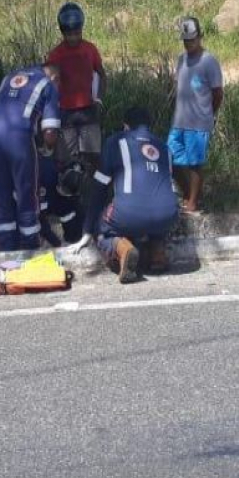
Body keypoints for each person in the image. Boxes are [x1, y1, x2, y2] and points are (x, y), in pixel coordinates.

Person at [74, 106, 179, 284]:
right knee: (158, 204)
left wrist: (87, 230)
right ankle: (157, 252)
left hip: (128, 214)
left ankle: (122, 248)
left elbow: (99, 188)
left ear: (126, 126)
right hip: (168, 214)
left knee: (101, 226)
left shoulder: (115, 142)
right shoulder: (164, 147)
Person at [0, 64, 62, 251]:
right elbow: (50, 133)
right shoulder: (47, 84)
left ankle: (5, 249)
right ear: (55, 78)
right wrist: (47, 150)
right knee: (26, 194)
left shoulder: (8, 77)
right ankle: (29, 248)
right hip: (19, 139)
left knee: (0, 195)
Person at [168, 17, 223, 214]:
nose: (188, 44)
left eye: (192, 40)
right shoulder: (181, 60)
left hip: (199, 122)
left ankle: (193, 203)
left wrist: (208, 114)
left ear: (200, 37)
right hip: (179, 121)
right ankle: (188, 194)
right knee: (170, 158)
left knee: (195, 164)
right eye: (185, 40)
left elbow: (217, 93)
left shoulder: (209, 61)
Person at [45, 2, 106, 172]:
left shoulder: (89, 50)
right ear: (63, 33)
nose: (73, 38)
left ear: (82, 30)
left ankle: (91, 185)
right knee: (66, 158)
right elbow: (50, 83)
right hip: (65, 112)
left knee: (92, 156)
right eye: (69, 34)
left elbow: (101, 74)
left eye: (77, 33)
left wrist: (99, 100)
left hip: (88, 109)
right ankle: (69, 185)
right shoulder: (56, 55)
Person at [37, 156, 85, 247]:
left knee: (73, 231)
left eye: (65, 193)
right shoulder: (46, 171)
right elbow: (38, 218)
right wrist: (55, 242)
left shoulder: (73, 199)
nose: (61, 191)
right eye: (61, 188)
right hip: (45, 196)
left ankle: (70, 238)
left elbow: (79, 213)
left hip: (59, 202)